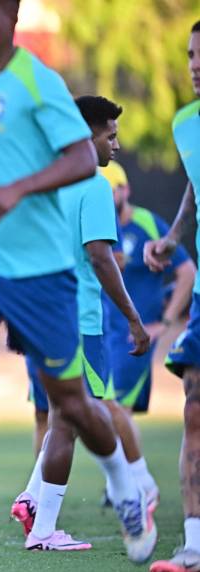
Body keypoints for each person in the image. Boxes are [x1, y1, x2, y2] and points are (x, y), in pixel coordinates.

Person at [0, 0, 154, 572]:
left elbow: (80, 158)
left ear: (11, 19)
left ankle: (126, 487)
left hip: (42, 273)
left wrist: (20, 190)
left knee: (70, 404)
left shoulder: (36, 81)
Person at [9, 96, 150, 552]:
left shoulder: (44, 182)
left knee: (63, 415)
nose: (116, 145)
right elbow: (100, 257)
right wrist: (133, 318)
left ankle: (34, 502)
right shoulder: (92, 185)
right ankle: (47, 520)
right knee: (78, 415)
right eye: (110, 135)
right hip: (80, 321)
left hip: (41, 316)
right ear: (86, 136)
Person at [100, 160, 194, 506]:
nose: (107, 196)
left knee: (117, 407)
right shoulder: (95, 227)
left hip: (133, 338)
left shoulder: (147, 224)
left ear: (125, 190)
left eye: (112, 189)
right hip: (103, 334)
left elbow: (187, 273)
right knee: (104, 410)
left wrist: (165, 323)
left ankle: (136, 486)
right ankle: (125, 485)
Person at [143, 19, 200, 572]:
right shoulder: (186, 122)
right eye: (190, 55)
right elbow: (194, 184)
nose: (195, 65)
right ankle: (194, 546)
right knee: (193, 405)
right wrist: (174, 237)